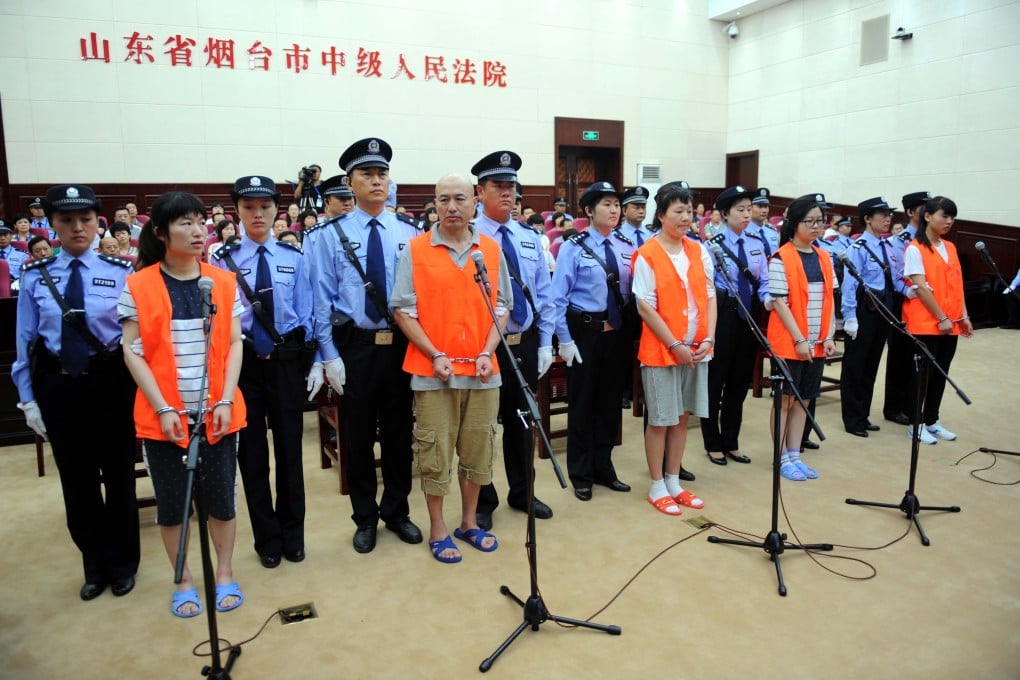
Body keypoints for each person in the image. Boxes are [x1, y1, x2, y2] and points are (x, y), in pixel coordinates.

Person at [120, 190, 247, 617]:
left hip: (218, 412)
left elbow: (234, 345)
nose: (198, 231)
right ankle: (184, 580)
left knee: (222, 501)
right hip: (164, 418)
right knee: (173, 505)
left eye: (200, 221)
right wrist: (163, 408)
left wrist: (226, 398)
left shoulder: (223, 281)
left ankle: (225, 573)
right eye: (184, 223)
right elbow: (131, 351)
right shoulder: (138, 284)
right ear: (160, 233)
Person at [11, 184, 139, 601]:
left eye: (85, 219)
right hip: (60, 385)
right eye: (66, 220)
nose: (77, 227)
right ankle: (94, 564)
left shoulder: (121, 270)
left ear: (97, 222)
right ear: (52, 225)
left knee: (118, 475)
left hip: (110, 382)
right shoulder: (35, 276)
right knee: (77, 479)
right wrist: (28, 399)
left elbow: (135, 339)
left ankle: (122, 564)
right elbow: (25, 341)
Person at [310, 137, 422, 554]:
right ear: (350, 183)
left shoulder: (410, 233)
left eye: (382, 174)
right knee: (355, 439)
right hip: (353, 347)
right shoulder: (329, 235)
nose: (376, 181)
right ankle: (364, 517)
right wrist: (328, 355)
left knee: (398, 434)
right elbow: (322, 299)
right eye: (366, 174)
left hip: (399, 346)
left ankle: (397, 511)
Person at [391, 173, 511, 562]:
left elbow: (502, 308)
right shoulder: (416, 249)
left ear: (475, 201)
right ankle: (439, 528)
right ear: (434, 204)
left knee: (477, 451)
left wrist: (487, 350)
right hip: (433, 374)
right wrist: (434, 353)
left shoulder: (490, 250)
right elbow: (404, 311)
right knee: (435, 452)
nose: (451, 207)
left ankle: (470, 522)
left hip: (482, 372)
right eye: (443, 200)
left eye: (459, 198)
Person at [211, 176, 320, 568]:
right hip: (241, 367)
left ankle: (294, 536)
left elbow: (308, 312)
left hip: (287, 361)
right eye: (248, 208)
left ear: (276, 209)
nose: (257, 215)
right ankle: (267, 540)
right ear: (236, 212)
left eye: (265, 207)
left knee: (290, 452)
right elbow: (215, 321)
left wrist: (315, 360)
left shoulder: (294, 258)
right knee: (253, 456)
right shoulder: (220, 261)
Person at [469, 151, 556, 530]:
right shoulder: (468, 238)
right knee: (483, 424)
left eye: (511, 187)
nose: (507, 193)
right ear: (479, 192)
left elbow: (544, 293)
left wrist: (546, 342)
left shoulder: (528, 237)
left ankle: (522, 490)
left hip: (525, 340)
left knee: (522, 421)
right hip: (485, 346)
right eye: (498, 186)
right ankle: (484, 498)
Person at [633, 184, 716, 514]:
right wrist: (675, 344)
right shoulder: (648, 254)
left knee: (682, 418)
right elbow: (645, 307)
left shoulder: (699, 250)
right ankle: (656, 485)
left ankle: (673, 479)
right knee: (661, 419)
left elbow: (709, 298)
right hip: (662, 351)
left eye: (689, 210)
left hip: (697, 350)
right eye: (678, 211)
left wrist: (708, 338)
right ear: (661, 215)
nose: (685, 217)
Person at [551, 181, 635, 501]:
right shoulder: (574, 247)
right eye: (607, 205)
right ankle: (581, 473)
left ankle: (604, 467)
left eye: (617, 204)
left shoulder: (625, 246)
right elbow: (558, 299)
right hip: (585, 334)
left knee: (610, 406)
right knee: (583, 405)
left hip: (616, 335)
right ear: (589, 211)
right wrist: (564, 340)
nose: (614, 210)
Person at [766, 196, 837, 481]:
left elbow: (830, 298)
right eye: (811, 221)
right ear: (794, 223)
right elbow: (780, 303)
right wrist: (799, 339)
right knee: (784, 400)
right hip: (790, 341)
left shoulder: (824, 256)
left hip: (817, 340)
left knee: (805, 399)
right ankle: (781, 456)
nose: (817, 226)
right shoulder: (781, 257)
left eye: (820, 221)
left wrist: (829, 334)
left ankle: (795, 454)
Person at [700, 186, 770, 467]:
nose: (746, 214)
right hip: (723, 314)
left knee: (740, 382)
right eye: (739, 210)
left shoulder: (756, 243)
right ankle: (712, 441)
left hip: (749, 315)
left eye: (748, 209)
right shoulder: (712, 245)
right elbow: (706, 286)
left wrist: (767, 300)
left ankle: (731, 441)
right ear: (725, 213)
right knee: (715, 380)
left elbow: (763, 279)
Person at [901, 195, 972, 445]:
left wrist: (963, 316)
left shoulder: (950, 247)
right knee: (921, 375)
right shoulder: (914, 248)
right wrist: (941, 316)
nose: (949, 221)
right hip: (926, 323)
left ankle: (932, 420)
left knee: (941, 373)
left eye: (952, 217)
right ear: (928, 216)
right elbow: (920, 287)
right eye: (944, 215)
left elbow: (957, 285)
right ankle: (915, 422)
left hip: (950, 323)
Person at [839, 197, 901, 438]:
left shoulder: (887, 246)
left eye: (889, 215)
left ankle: (863, 415)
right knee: (855, 365)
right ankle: (852, 419)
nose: (887, 219)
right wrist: (849, 316)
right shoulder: (858, 248)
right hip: (863, 311)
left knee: (871, 364)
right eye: (882, 215)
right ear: (867, 218)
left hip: (883, 310)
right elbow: (849, 285)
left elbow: (894, 280)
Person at [883, 191, 932, 425]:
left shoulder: (929, 238)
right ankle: (894, 408)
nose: (928, 212)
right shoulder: (900, 241)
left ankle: (911, 404)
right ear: (911, 212)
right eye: (924, 208)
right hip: (904, 302)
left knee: (919, 357)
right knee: (900, 357)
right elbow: (898, 276)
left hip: (925, 304)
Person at [748, 188, 780, 257]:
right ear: (749, 208)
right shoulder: (743, 231)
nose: (764, 210)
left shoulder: (772, 231)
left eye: (766, 206)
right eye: (760, 206)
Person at [0, 222, 30, 286]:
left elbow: (27, 275)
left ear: (11, 236)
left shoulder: (22, 255)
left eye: (5, 235)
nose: (2, 238)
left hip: (14, 285)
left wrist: (19, 282)